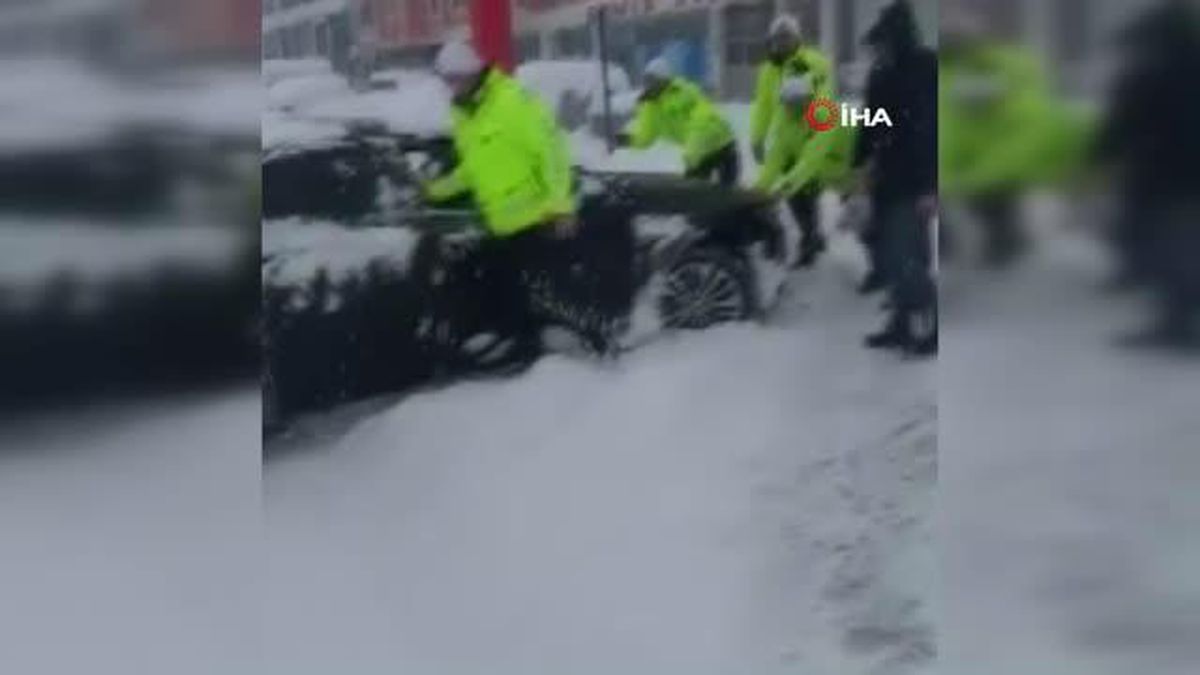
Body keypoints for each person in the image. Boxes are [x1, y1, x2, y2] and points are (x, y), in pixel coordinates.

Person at [423, 41, 620, 353]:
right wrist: (434, 190)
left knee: (553, 296)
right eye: (446, 80)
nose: (451, 87)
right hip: (502, 224)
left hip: (536, 219)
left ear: (473, 73)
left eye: (456, 79)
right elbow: (474, 169)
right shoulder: (463, 115)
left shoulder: (511, 101)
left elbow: (552, 152)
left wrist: (560, 206)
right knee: (514, 294)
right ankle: (528, 351)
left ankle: (602, 341)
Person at [853, 0, 937, 356]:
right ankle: (901, 325)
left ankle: (930, 329)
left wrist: (929, 186)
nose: (877, 50)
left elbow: (929, 131)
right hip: (886, 180)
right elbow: (873, 120)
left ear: (898, 38)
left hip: (913, 182)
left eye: (882, 43)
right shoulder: (881, 72)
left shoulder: (923, 69)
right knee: (889, 257)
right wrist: (860, 158)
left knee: (910, 259)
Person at [753, 76, 857, 267]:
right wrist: (760, 189)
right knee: (801, 198)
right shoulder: (786, 120)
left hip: (854, 166)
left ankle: (884, 269)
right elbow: (776, 157)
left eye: (793, 103)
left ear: (806, 99)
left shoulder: (825, 113)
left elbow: (814, 155)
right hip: (823, 169)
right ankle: (811, 242)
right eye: (785, 103)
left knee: (867, 220)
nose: (788, 108)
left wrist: (786, 186)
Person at [615, 57, 739, 186]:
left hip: (722, 144)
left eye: (654, 81)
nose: (650, 85)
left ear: (665, 82)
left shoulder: (684, 92)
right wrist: (627, 140)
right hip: (699, 152)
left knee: (729, 193)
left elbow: (703, 121)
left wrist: (692, 153)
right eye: (647, 81)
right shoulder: (650, 107)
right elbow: (646, 137)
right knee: (697, 194)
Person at [749, 14, 835, 166]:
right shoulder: (768, 71)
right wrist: (758, 138)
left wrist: (819, 129)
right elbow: (764, 107)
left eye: (786, 37)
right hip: (783, 141)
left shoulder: (814, 62)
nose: (782, 43)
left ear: (797, 38)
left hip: (810, 137)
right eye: (778, 38)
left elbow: (824, 97)